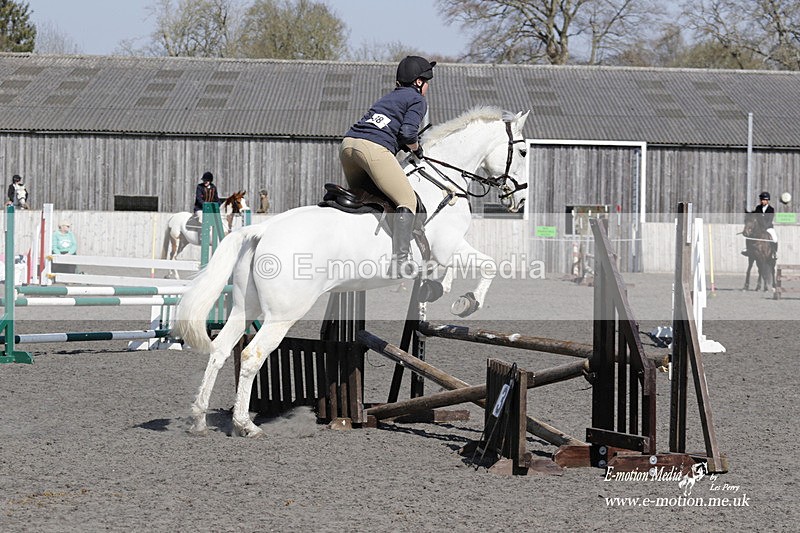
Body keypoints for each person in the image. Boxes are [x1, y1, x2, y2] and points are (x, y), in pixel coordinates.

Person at [339, 55, 435, 278]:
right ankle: (400, 261)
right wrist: (415, 147)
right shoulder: (417, 99)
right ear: (418, 82)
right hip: (373, 149)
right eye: (427, 80)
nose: (428, 86)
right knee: (407, 201)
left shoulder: (389, 98)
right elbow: (408, 133)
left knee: (367, 198)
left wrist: (403, 143)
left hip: (348, 145)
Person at [743, 191, 777, 259]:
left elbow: (770, 220)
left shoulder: (771, 209)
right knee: (749, 236)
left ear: (767, 200)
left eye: (764, 200)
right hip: (759, 228)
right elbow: (754, 216)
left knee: (775, 238)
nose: (763, 201)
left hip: (768, 227)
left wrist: (765, 227)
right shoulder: (758, 208)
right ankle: (747, 249)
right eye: (762, 200)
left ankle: (774, 252)